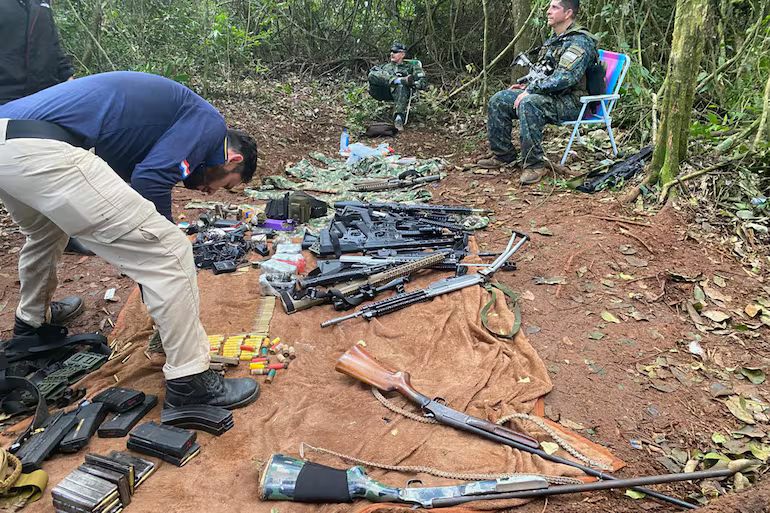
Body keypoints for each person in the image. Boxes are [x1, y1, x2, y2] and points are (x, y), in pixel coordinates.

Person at [0, 71, 260, 409]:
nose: (211, 191)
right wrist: (157, 254)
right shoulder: (209, 123)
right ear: (233, 159)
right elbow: (152, 179)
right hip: (42, 147)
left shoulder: (158, 128)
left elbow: (122, 189)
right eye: (225, 184)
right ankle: (190, 381)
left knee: (46, 232)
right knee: (170, 251)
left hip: (9, 139)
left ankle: (30, 326)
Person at [476, 0, 598, 185]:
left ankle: (534, 165)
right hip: (549, 96)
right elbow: (545, 72)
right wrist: (527, 86)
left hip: (573, 102)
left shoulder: (579, 41)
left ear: (568, 13)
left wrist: (531, 90)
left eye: (554, 7)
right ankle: (503, 155)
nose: (548, 11)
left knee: (529, 103)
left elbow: (565, 78)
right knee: (499, 99)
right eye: (549, 7)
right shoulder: (555, 39)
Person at [0, 0, 75, 106]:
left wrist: (69, 82)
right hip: (8, 99)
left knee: (103, 87)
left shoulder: (41, 4)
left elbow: (54, 47)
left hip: (46, 97)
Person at [368, 42, 427, 131]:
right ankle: (398, 80)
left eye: (395, 52)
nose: (392, 53)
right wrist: (395, 80)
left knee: (401, 85)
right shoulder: (385, 67)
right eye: (391, 51)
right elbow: (372, 75)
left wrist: (414, 84)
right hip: (382, 91)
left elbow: (422, 81)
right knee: (373, 73)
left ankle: (398, 118)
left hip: (400, 93)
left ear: (402, 54)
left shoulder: (411, 66)